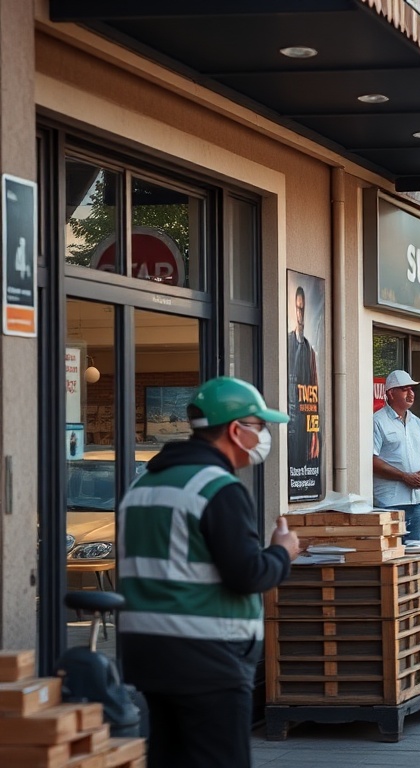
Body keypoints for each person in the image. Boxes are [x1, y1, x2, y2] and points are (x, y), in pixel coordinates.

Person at [116, 376, 301, 768]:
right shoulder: (218, 488)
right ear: (235, 431)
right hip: (208, 659)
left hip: (145, 655)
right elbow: (248, 574)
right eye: (259, 426)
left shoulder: (142, 485)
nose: (263, 436)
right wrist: (282, 552)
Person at [372, 370, 420, 542]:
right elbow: (371, 460)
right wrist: (403, 476)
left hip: (417, 500)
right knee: (392, 550)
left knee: (414, 550)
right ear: (391, 393)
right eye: (405, 389)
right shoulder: (377, 421)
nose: (411, 394)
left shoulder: (416, 422)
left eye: (412, 389)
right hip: (390, 502)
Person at [287, 284, 320, 466]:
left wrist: (314, 432)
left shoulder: (309, 350)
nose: (300, 314)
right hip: (289, 420)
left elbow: (314, 390)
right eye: (297, 309)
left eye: (302, 309)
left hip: (304, 423)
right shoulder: (287, 343)